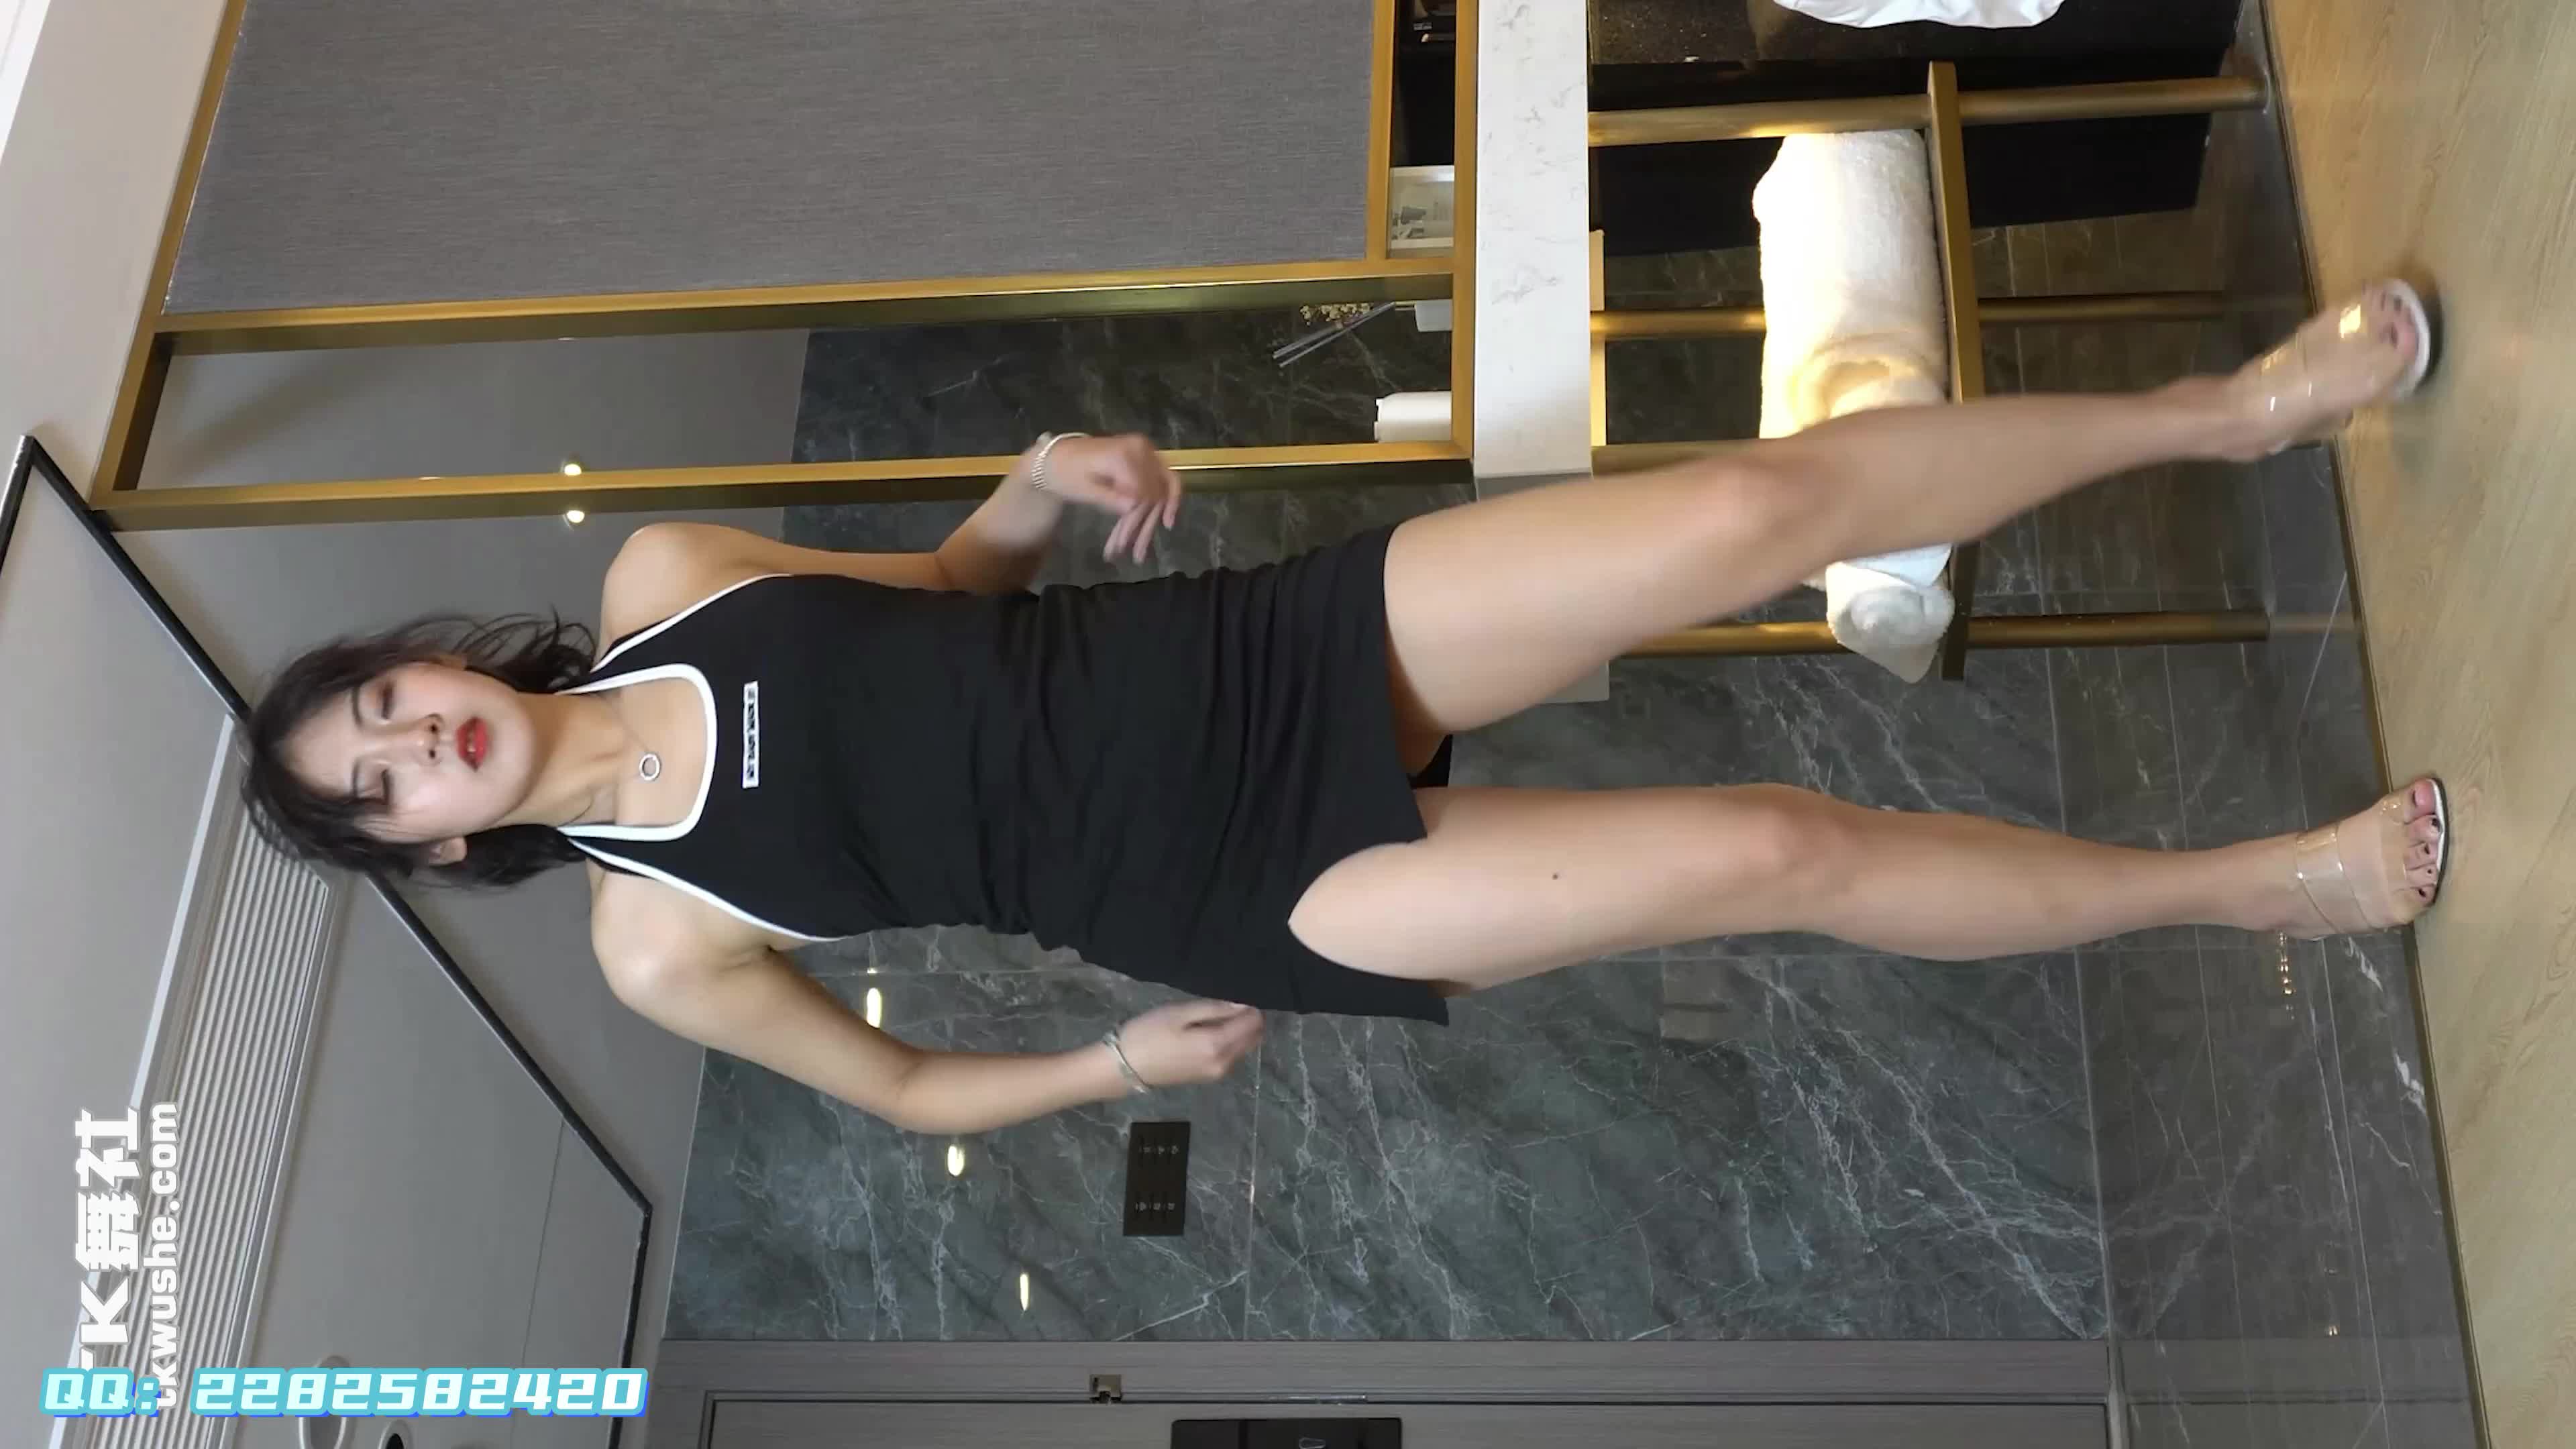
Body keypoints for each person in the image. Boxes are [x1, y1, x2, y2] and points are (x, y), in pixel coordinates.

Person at [246, 281, 2447, 1136]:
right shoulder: (654, 939)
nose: (418, 742)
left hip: (1235, 654)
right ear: (430, 845)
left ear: (432, 664)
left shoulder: (662, 580)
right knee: (1779, 850)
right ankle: (2265, 886)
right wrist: (1117, 1060)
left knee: (1750, 508)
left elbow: (937, 599)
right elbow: (900, 1089)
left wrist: (1033, 483)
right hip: (1233, 886)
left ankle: (2235, 407)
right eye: (382, 784)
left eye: (389, 703)